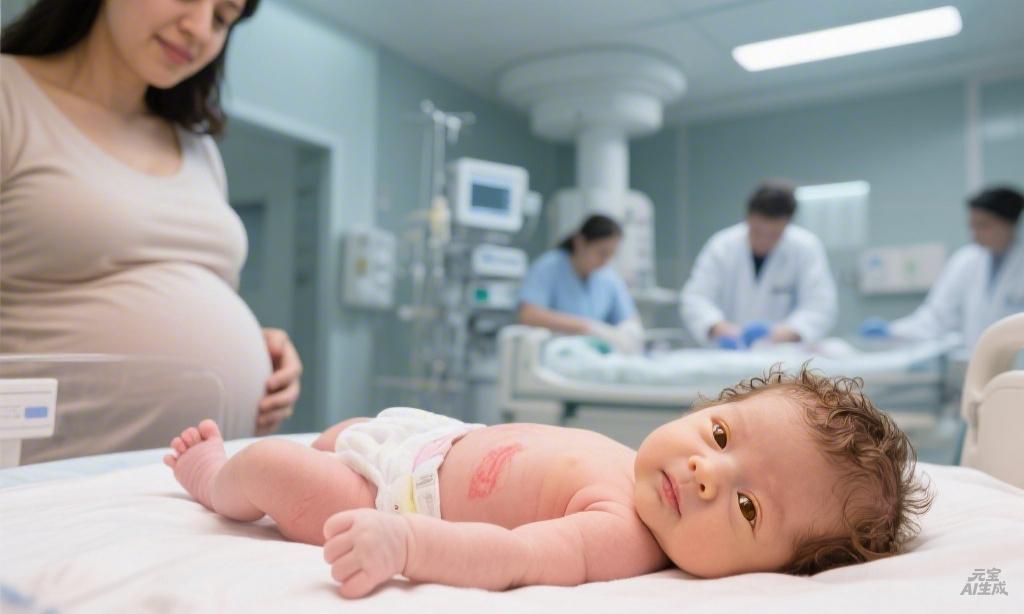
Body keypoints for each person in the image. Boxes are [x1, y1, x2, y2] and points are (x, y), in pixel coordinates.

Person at [165, 365, 931, 598]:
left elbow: (513, 558)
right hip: (425, 440)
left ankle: (213, 480)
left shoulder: (621, 534)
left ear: (771, 568)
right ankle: (339, 442)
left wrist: (401, 540)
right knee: (338, 432)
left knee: (273, 466)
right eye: (722, 437)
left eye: (746, 505)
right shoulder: (640, 468)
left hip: (394, 496)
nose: (704, 472)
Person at [0, 0, 301, 462]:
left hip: (194, 488)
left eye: (223, 17)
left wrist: (258, 349)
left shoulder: (198, 148)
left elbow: (176, 294)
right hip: (47, 480)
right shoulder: (10, 95)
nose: (200, 29)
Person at [860, 187, 1024, 351]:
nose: (975, 234)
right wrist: (892, 331)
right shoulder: (965, 261)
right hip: (978, 363)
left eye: (983, 225)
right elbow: (937, 316)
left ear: (1009, 223)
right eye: (972, 226)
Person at [681, 180, 838, 349]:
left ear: (787, 223)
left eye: (773, 234)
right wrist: (718, 327)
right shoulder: (721, 246)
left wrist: (783, 333)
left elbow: (820, 306)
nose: (764, 240)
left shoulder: (806, 247)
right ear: (748, 217)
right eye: (757, 232)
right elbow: (696, 298)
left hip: (784, 357)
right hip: (728, 356)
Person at [518, 214, 643, 353]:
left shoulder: (609, 278)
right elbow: (529, 315)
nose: (606, 261)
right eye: (602, 253)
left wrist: (629, 332)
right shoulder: (549, 267)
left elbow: (629, 318)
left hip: (594, 360)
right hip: (554, 358)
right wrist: (587, 327)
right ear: (580, 242)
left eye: (611, 255)